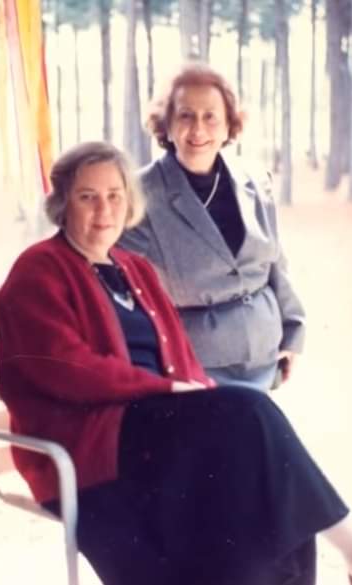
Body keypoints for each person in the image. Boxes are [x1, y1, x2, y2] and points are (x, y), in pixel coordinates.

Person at [0, 141, 352, 585]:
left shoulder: (134, 268)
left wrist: (199, 399)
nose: (104, 209)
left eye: (115, 195)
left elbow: (180, 357)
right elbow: (66, 368)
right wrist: (169, 391)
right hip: (92, 446)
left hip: (158, 432)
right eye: (87, 196)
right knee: (251, 413)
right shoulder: (39, 268)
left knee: (263, 479)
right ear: (63, 203)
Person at [118, 62, 305, 391]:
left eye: (211, 117)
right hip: (197, 367)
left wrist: (293, 334)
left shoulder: (256, 180)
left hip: (266, 355)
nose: (198, 129)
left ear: (229, 124)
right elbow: (110, 282)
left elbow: (276, 263)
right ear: (167, 124)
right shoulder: (138, 193)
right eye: (186, 116)